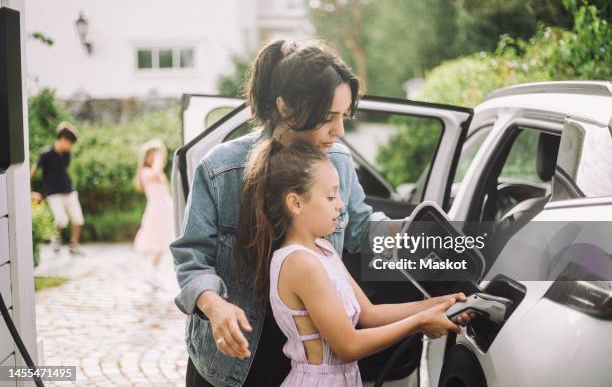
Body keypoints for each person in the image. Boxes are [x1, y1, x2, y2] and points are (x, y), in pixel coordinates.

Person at [170, 39, 469, 387]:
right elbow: (191, 258)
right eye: (328, 118)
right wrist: (215, 306)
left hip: (307, 358)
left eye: (343, 116)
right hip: (233, 359)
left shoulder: (339, 162)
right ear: (287, 108)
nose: (339, 131)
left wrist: (408, 230)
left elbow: (358, 228)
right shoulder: (221, 169)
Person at [236, 139, 469, 386]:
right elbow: (348, 346)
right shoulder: (300, 263)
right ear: (296, 203)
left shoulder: (323, 249)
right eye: (330, 196)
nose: (340, 204)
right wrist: (420, 323)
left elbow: (369, 314)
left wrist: (439, 304)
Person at [30, 122, 84, 256]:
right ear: (63, 140)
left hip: (69, 190)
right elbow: (33, 172)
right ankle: (56, 240)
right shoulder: (46, 155)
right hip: (53, 193)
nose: (71, 147)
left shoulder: (66, 155)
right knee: (61, 220)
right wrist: (29, 191)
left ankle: (73, 246)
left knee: (78, 220)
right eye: (70, 144)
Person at [133, 140, 174, 291]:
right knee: (158, 243)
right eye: (153, 154)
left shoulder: (156, 173)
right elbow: (155, 173)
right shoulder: (146, 173)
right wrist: (158, 159)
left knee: (163, 243)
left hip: (164, 209)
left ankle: (153, 273)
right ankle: (151, 273)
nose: (157, 158)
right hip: (156, 210)